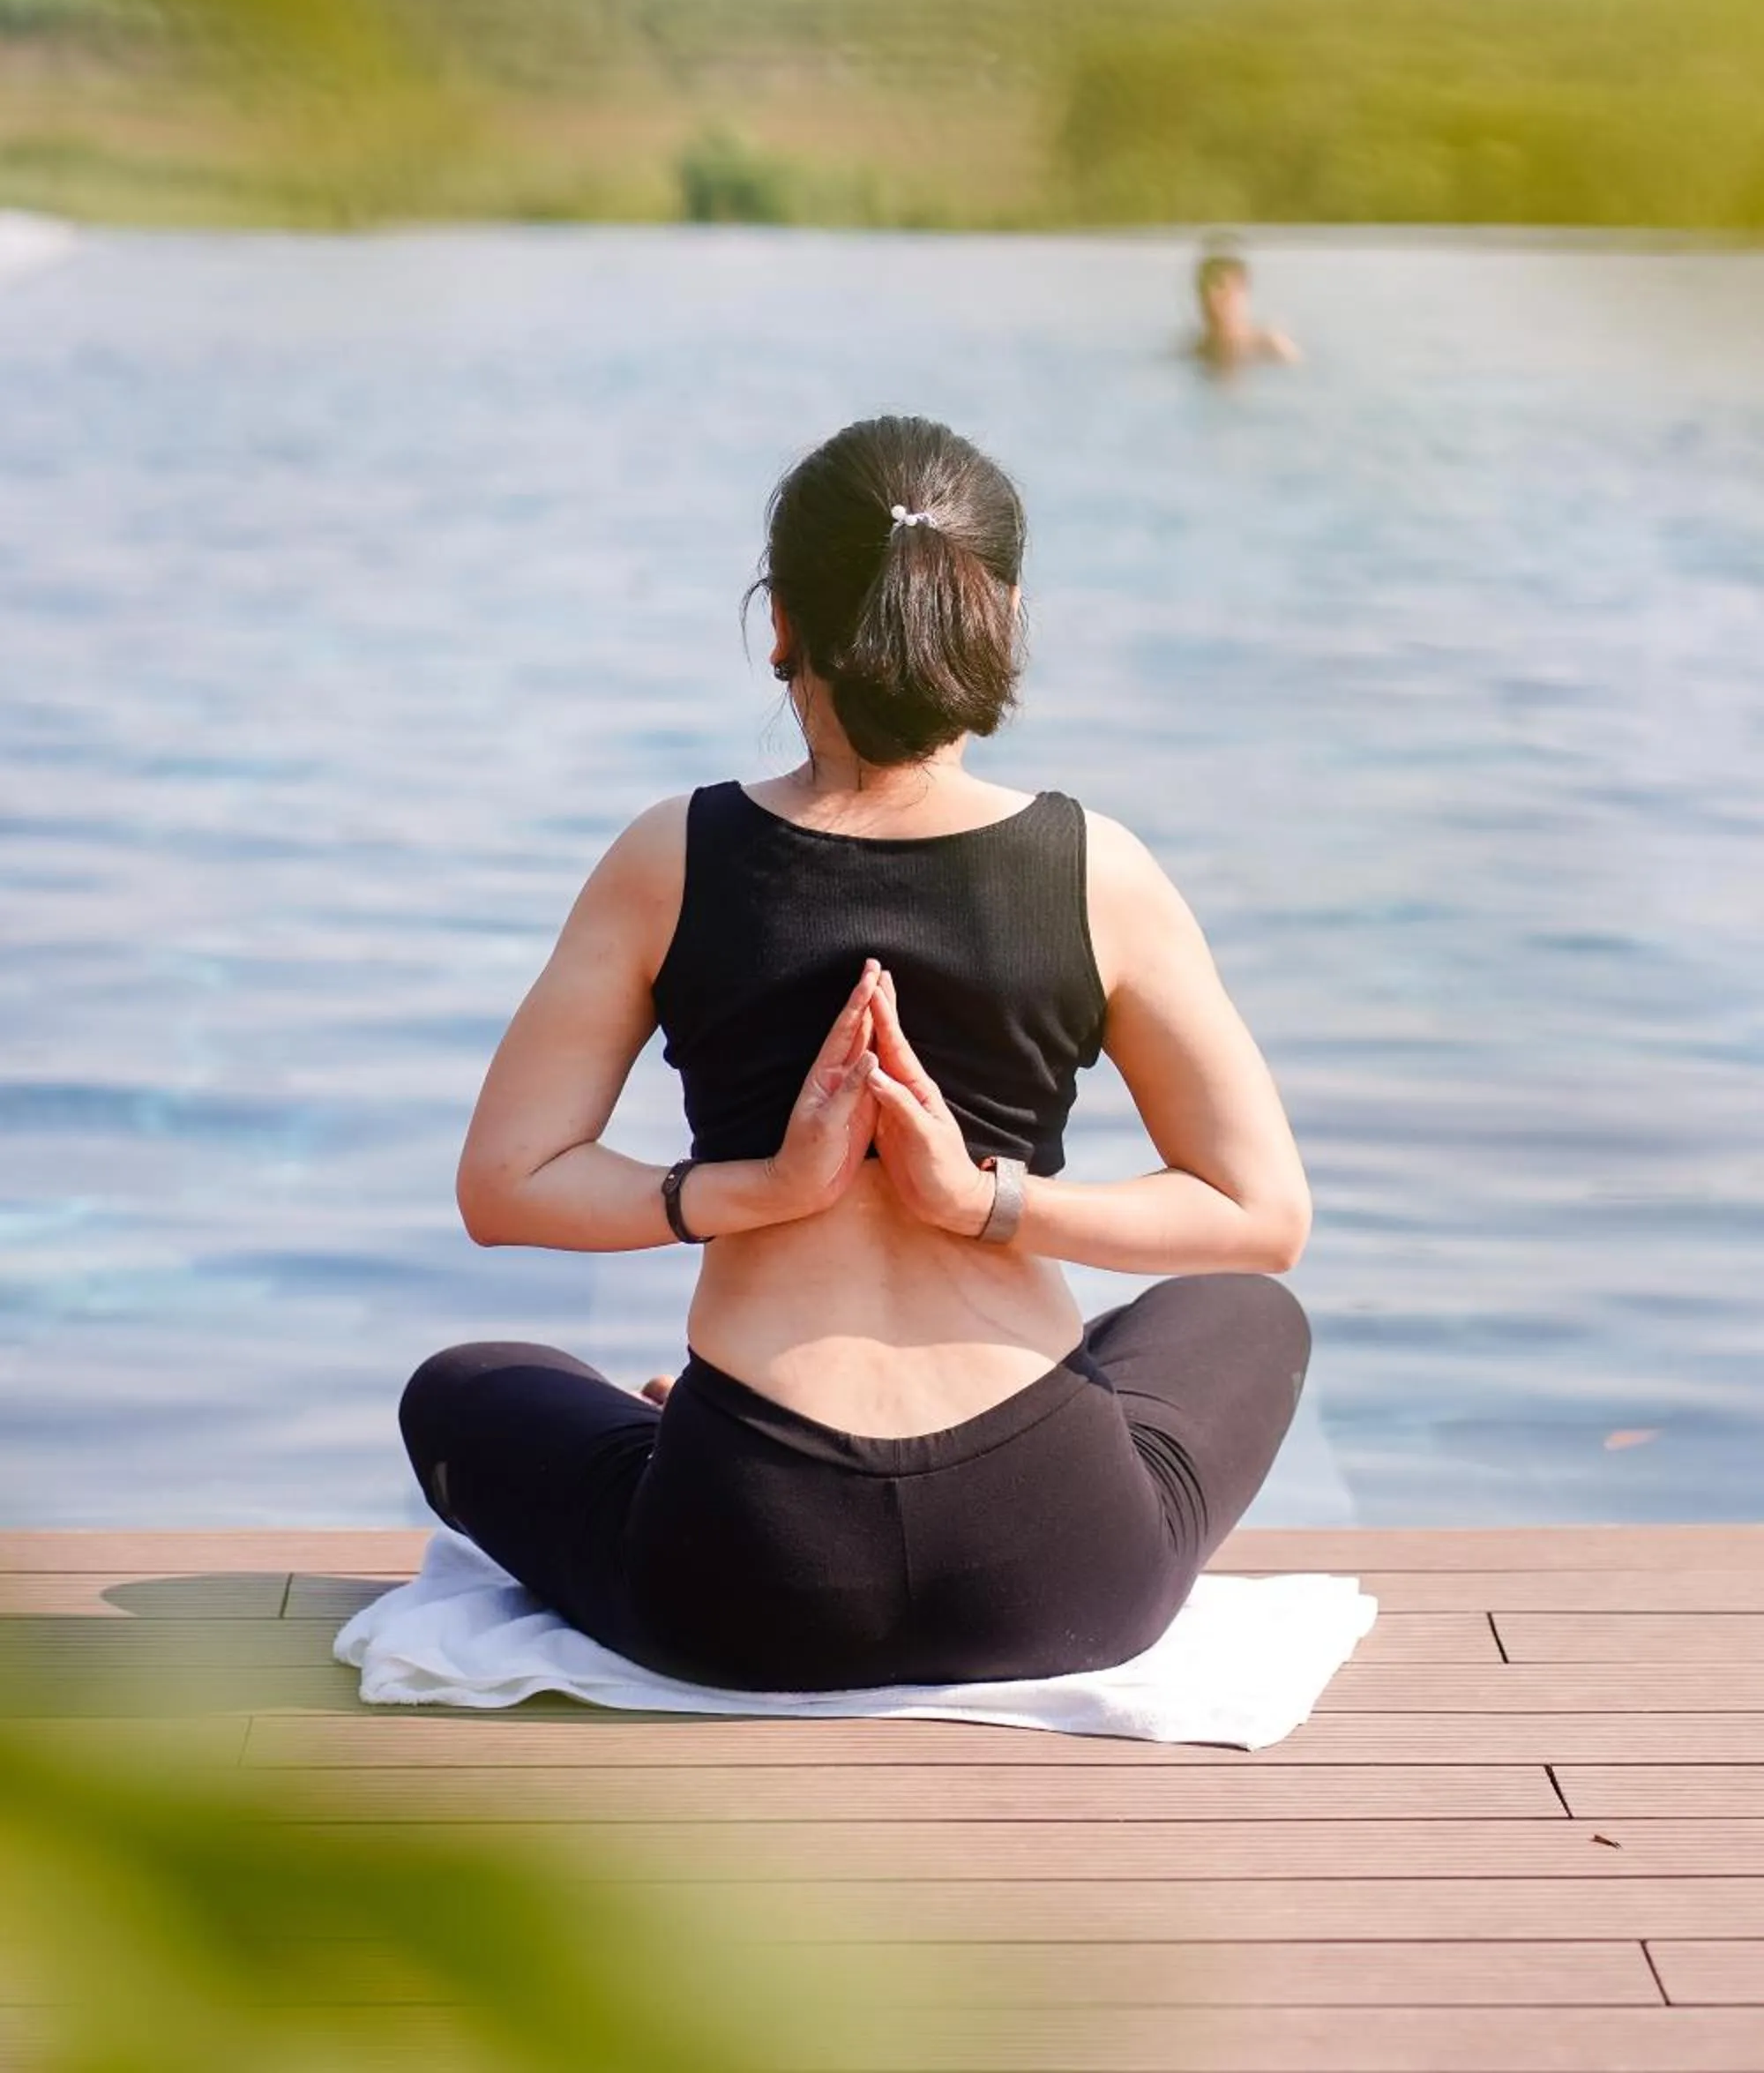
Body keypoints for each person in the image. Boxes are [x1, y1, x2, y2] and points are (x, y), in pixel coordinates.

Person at [400, 415, 1313, 1693]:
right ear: (995, 623)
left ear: (781, 625)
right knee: (1241, 1311)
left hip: (750, 1567)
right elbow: (1261, 1217)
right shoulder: (1101, 868)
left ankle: (687, 1430)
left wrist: (756, 1193)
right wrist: (989, 1205)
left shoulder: (670, 857)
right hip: (1057, 1565)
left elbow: (505, 1186)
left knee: (469, 1386)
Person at [1190, 245, 1301, 369]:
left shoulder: (1269, 345)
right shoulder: (1194, 350)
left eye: (1222, 287)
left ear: (1243, 291)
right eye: (1204, 289)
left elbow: (1300, 374)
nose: (1211, 297)